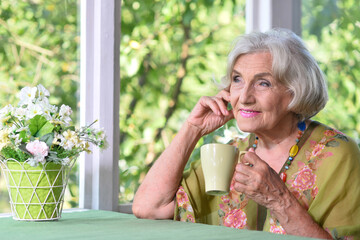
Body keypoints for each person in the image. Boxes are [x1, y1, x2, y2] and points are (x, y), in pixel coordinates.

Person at [132, 28, 360, 239]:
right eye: (237, 80)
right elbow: (149, 207)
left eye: (263, 83)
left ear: (295, 93)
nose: (244, 97)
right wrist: (193, 129)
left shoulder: (337, 153)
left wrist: (279, 201)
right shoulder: (232, 152)